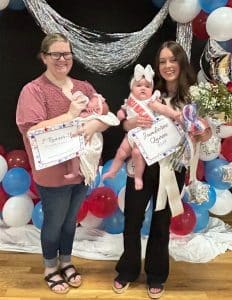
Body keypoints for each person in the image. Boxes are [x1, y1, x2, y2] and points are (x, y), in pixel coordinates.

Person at [16, 33, 113, 294]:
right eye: (56, 54)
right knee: (55, 222)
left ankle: (66, 260)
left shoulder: (84, 86)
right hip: (52, 172)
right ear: (44, 57)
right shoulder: (33, 90)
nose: (62, 59)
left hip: (82, 169)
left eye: (67, 54)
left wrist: (94, 123)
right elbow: (32, 130)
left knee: (71, 222)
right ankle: (50, 267)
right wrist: (69, 115)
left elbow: (106, 115)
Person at [112, 41, 198, 299]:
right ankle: (127, 270)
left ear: (181, 62)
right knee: (132, 220)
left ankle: (156, 274)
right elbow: (126, 124)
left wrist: (200, 130)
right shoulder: (148, 89)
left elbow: (198, 133)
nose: (168, 65)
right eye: (162, 61)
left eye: (172, 60)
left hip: (172, 169)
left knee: (161, 225)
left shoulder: (193, 96)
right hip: (140, 165)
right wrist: (131, 122)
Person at [102, 64, 182, 190]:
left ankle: (138, 177)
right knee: (121, 152)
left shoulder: (151, 101)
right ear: (132, 88)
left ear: (152, 89)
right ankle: (113, 171)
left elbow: (163, 109)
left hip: (146, 136)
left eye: (147, 86)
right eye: (139, 85)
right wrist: (120, 115)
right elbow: (123, 111)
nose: (143, 88)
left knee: (137, 154)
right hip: (131, 135)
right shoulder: (130, 99)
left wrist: (175, 114)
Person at [64, 91, 109, 180]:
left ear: (96, 109)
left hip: (88, 141)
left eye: (91, 101)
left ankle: (76, 171)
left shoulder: (93, 116)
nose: (89, 102)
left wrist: (87, 113)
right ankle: (76, 170)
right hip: (79, 136)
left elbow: (83, 118)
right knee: (74, 154)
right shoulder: (87, 110)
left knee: (77, 154)